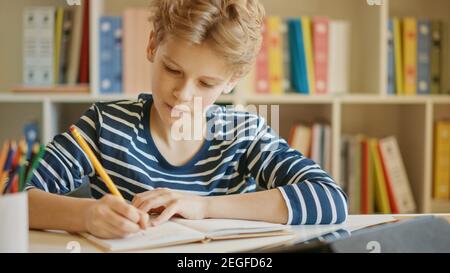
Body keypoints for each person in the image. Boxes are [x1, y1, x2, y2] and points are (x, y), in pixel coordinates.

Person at [27, 0, 347, 239]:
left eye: (206, 83)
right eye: (172, 69)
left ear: (232, 79)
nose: (182, 93)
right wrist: (85, 215)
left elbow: (330, 199)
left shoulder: (244, 134)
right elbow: (10, 196)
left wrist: (203, 206)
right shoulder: (105, 126)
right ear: (153, 45)